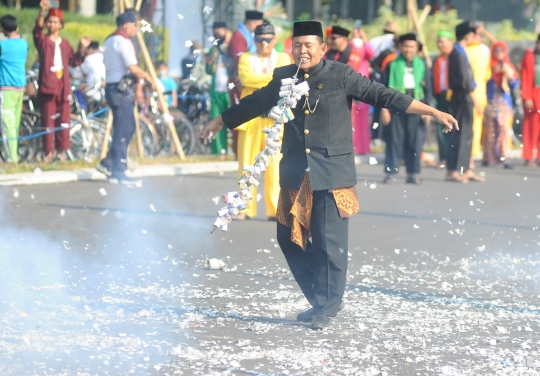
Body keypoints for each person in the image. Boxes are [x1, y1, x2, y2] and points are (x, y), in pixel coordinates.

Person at [200, 21, 458, 330]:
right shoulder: (284, 76)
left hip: (332, 171)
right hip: (296, 170)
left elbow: (385, 95)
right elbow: (256, 102)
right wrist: (219, 120)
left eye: (309, 45)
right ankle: (320, 300)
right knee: (287, 236)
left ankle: (328, 305)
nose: (303, 50)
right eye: (297, 45)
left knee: (328, 242)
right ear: (290, 49)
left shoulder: (341, 74)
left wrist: (432, 111)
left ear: (322, 48)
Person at [235, 22, 292, 220]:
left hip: (273, 119)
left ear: (274, 40)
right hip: (250, 119)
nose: (264, 43)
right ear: (254, 40)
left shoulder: (284, 57)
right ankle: (244, 208)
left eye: (268, 39)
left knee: (274, 167)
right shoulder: (246, 58)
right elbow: (245, 79)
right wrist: (272, 79)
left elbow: (284, 79)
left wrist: (263, 79)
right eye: (260, 39)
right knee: (246, 165)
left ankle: (275, 209)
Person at [96, 11, 154, 185]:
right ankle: (118, 170)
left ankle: (108, 163)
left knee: (127, 128)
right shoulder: (123, 42)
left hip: (113, 87)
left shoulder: (109, 40)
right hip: (120, 90)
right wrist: (148, 77)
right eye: (135, 25)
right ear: (126, 25)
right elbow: (133, 68)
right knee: (123, 130)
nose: (137, 29)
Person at [33, 0, 90, 162]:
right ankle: (48, 152)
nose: (51, 25)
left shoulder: (64, 43)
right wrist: (41, 13)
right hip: (47, 85)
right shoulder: (43, 41)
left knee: (63, 120)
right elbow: (37, 33)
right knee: (47, 119)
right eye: (49, 22)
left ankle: (61, 151)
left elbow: (74, 61)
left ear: (60, 25)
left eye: (55, 22)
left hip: (63, 86)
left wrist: (82, 48)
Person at [381, 33, 431, 184]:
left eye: (412, 47)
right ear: (401, 47)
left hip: (417, 107)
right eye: (406, 46)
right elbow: (382, 89)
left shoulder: (422, 65)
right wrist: (384, 109)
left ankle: (413, 173)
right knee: (394, 141)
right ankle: (390, 173)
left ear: (416, 48)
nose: (408, 49)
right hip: (396, 106)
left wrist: (428, 111)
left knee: (415, 141)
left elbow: (428, 89)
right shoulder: (392, 64)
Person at [446, 21, 484, 183]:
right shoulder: (458, 53)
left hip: (463, 97)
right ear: (468, 36)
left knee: (467, 133)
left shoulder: (460, 51)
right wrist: (476, 102)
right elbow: (465, 82)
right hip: (462, 98)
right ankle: (455, 171)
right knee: (460, 134)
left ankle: (465, 169)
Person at [228, 10, 264, 153]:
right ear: (253, 23)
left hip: (248, 79)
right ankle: (239, 150)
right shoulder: (239, 36)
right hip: (239, 81)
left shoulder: (247, 35)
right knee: (240, 115)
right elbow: (240, 59)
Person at [482, 41, 518, 168]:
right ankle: (488, 157)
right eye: (496, 51)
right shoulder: (488, 66)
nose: (499, 54)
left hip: (503, 103)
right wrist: (491, 73)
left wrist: (508, 74)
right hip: (491, 102)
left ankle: (505, 158)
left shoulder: (509, 66)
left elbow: (514, 85)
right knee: (490, 131)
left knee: (503, 132)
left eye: (501, 51)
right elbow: (483, 80)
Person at [0, 14, 28, 163]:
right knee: (15, 124)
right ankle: (14, 155)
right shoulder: (24, 44)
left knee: (7, 124)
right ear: (16, 27)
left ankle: (12, 158)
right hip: (20, 87)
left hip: (7, 87)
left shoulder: (3, 46)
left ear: (3, 29)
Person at [205, 21, 233, 156]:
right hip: (216, 92)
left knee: (234, 120)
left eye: (219, 33)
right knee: (216, 121)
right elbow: (209, 71)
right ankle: (219, 152)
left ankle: (235, 150)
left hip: (230, 91)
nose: (217, 35)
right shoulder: (213, 49)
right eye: (215, 33)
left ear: (226, 32)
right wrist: (208, 63)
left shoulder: (232, 47)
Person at [465, 26, 491, 165]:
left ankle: (467, 158)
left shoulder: (464, 51)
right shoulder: (484, 51)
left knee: (466, 127)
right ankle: (472, 158)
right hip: (481, 94)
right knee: (476, 127)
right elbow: (487, 75)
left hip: (466, 94)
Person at [432, 30, 454, 167]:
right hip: (440, 96)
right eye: (438, 42)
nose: (440, 45)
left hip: (452, 96)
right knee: (441, 127)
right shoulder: (438, 60)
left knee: (453, 127)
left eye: (443, 42)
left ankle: (452, 158)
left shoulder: (455, 58)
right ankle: (443, 157)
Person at [520, 35, 540, 167]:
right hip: (533, 96)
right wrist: (526, 97)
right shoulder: (530, 57)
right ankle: (529, 157)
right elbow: (525, 78)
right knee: (531, 128)